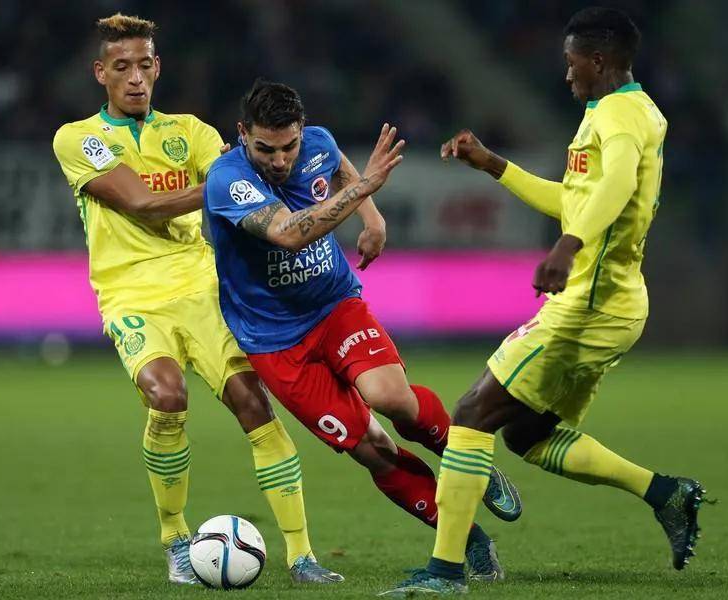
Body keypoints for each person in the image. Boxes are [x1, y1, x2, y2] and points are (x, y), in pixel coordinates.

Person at [383, 7, 707, 595]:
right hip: (611, 301)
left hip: (590, 304)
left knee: (471, 414)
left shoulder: (620, 116)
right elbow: (575, 199)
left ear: (598, 60)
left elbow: (618, 186)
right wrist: (495, 166)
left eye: (572, 62)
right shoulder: (622, 112)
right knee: (526, 435)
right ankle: (666, 493)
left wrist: (568, 245)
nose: (567, 73)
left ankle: (445, 572)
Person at [51, 14, 341, 586]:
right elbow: (141, 204)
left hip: (202, 285)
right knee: (166, 395)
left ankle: (302, 555)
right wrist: (223, 189)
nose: (135, 77)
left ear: (158, 67)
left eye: (144, 64)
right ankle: (176, 539)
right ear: (100, 73)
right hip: (131, 293)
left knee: (254, 404)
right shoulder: (77, 138)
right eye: (121, 67)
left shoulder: (193, 132)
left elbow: (254, 181)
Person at [204, 79, 523, 583]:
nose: (280, 160)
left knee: (391, 397)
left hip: (334, 305)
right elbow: (288, 233)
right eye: (266, 149)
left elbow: (339, 168)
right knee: (372, 449)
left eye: (288, 146)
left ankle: (471, 464)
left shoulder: (319, 143)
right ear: (243, 133)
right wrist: (366, 191)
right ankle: (466, 538)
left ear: (302, 130)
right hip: (274, 342)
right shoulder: (227, 179)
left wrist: (372, 220)